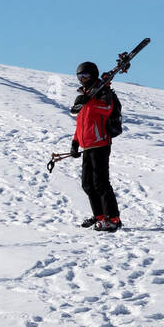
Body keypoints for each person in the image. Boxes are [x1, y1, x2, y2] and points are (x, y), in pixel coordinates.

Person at [69, 61, 122, 232]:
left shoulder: (103, 91)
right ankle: (99, 217)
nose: (82, 79)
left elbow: (106, 108)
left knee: (101, 183)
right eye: (79, 76)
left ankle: (113, 218)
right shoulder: (85, 94)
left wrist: (87, 102)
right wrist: (75, 143)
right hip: (87, 145)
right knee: (87, 184)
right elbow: (81, 123)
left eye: (85, 76)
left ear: (93, 75)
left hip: (100, 143)